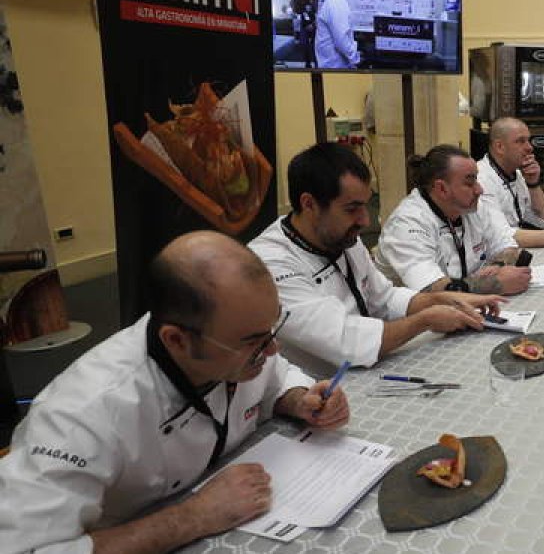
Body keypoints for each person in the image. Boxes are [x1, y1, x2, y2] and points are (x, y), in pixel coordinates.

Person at [0, 231, 350, 552]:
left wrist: (299, 399)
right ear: (177, 340)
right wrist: (194, 517)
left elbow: (277, 379)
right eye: (254, 341)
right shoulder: (81, 416)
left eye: (272, 330)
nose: (272, 351)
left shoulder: (239, 345)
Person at [249, 143, 505, 370]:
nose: (365, 220)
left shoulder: (340, 235)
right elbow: (346, 342)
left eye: (365, 205)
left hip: (369, 369)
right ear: (309, 204)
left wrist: (440, 299)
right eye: (352, 208)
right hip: (320, 389)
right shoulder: (268, 265)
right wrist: (426, 319)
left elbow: (384, 297)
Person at [378, 144, 531, 295]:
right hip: (412, 315)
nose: (480, 190)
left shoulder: (473, 207)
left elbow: (507, 246)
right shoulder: (408, 223)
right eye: (470, 182)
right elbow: (430, 288)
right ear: (442, 189)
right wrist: (493, 284)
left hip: (460, 306)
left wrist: (499, 265)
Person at [476, 117, 544, 248]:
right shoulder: (481, 179)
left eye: (528, 140)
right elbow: (500, 236)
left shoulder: (516, 174)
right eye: (520, 141)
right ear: (499, 147)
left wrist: (533, 184)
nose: (529, 147)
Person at [307, 0, 359, 69]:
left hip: (334, 68)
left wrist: (355, 59)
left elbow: (341, 40)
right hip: (329, 66)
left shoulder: (334, 1)